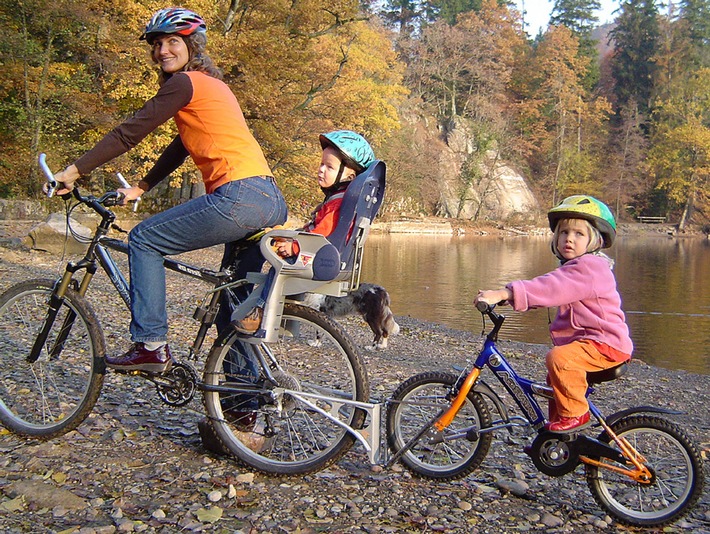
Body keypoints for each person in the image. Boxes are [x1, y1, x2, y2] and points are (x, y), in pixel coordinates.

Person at [48, 7, 288, 372]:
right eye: (157, 44)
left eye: (173, 41)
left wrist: (74, 171)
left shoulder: (186, 82)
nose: (163, 51)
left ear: (192, 45)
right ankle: (244, 413)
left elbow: (129, 133)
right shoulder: (213, 87)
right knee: (232, 303)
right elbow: (181, 146)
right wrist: (142, 186)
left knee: (144, 239)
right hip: (268, 199)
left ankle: (151, 346)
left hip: (239, 197)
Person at [474, 195, 633, 433]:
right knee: (555, 380)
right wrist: (514, 299)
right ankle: (559, 435)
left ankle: (576, 416)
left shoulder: (589, 268)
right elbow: (554, 292)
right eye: (563, 232)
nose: (569, 238)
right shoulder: (577, 268)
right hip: (593, 343)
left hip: (605, 345)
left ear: (595, 240)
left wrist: (504, 293)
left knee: (560, 360)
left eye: (579, 234)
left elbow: (551, 287)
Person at [233, 129, 376, 333]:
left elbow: (322, 232)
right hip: (327, 258)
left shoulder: (338, 203)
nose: (321, 170)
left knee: (278, 270)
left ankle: (261, 313)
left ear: (350, 174)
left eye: (329, 167)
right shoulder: (344, 200)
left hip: (316, 258)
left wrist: (295, 246)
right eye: (321, 164)